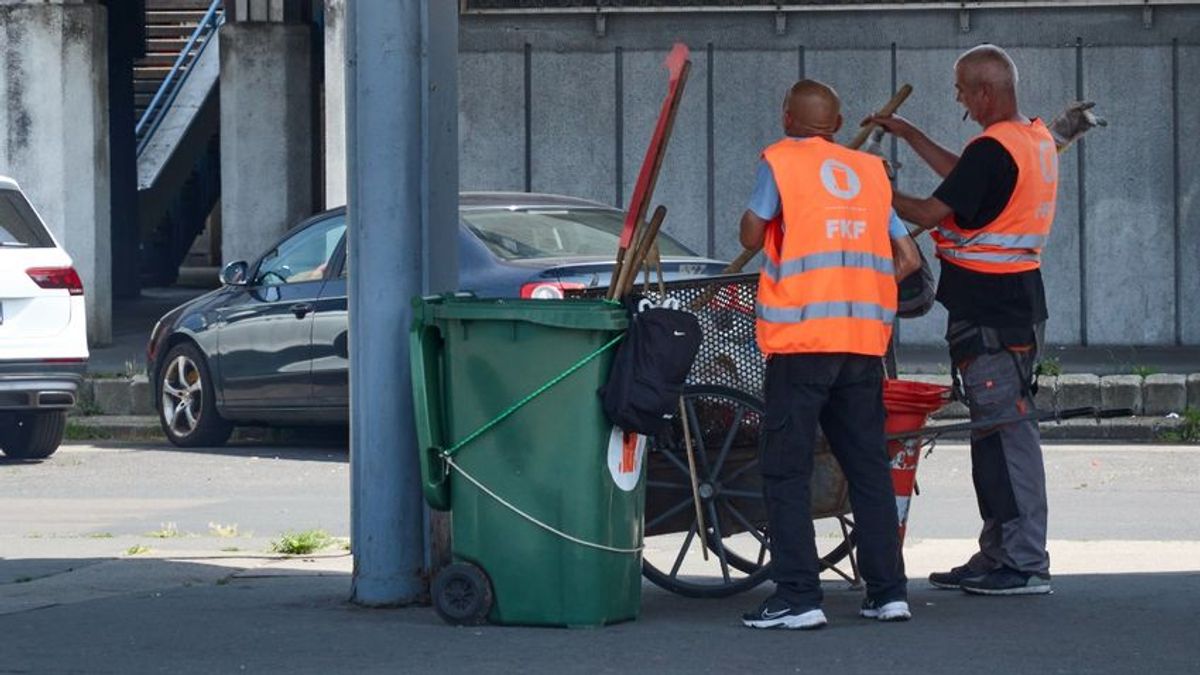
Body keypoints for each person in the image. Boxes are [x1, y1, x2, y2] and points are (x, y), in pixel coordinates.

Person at [868, 44, 1057, 596]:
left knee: (1008, 434)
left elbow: (931, 211)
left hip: (994, 313)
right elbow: (963, 179)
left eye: (960, 90)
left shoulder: (996, 149)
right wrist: (908, 133)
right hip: (1010, 305)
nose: (958, 100)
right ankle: (998, 553)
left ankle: (1024, 562)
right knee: (992, 435)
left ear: (985, 92)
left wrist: (874, 188)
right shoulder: (1028, 139)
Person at [739, 79, 919, 630]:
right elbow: (908, 258)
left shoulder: (781, 162)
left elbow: (749, 232)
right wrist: (858, 287)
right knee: (866, 467)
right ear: (838, 125)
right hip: (862, 345)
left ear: (786, 116)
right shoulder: (868, 174)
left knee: (786, 471)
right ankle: (888, 593)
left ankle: (798, 597)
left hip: (801, 342)